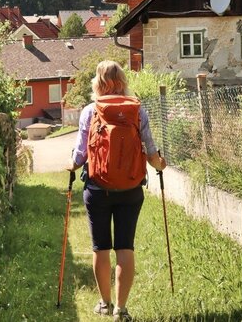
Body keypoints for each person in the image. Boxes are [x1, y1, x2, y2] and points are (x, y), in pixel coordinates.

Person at [68, 60, 167, 322]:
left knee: (100, 248)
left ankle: (104, 303)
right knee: (125, 247)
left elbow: (79, 155)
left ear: (97, 84)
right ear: (123, 81)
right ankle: (121, 310)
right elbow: (150, 150)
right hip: (131, 189)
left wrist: (70, 165)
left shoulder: (90, 111)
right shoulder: (137, 110)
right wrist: (160, 164)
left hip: (97, 189)